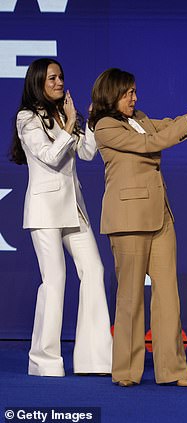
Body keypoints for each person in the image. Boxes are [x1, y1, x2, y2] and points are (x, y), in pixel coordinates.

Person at [89, 68, 187, 387]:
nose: (135, 98)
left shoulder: (139, 117)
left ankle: (172, 370)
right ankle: (126, 371)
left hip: (160, 215)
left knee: (168, 294)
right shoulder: (104, 126)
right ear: (111, 93)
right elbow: (152, 143)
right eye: (128, 92)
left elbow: (167, 127)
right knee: (130, 297)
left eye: (134, 91)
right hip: (128, 219)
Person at [10, 58, 112, 377]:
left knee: (94, 270)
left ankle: (94, 359)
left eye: (61, 77)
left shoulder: (64, 115)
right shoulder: (27, 118)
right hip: (45, 211)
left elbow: (86, 153)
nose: (58, 82)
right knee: (55, 281)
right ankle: (44, 361)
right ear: (38, 82)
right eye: (52, 78)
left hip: (74, 208)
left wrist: (91, 121)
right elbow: (51, 158)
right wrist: (69, 125)